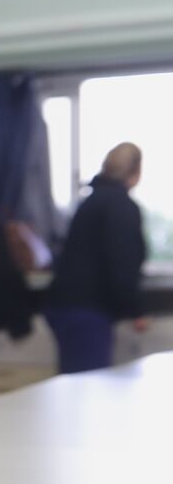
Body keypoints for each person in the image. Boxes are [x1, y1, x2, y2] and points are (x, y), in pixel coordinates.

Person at [44, 142, 149, 374]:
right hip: (86, 311)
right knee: (88, 387)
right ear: (135, 171)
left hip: (66, 306)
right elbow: (122, 263)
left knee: (76, 384)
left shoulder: (91, 201)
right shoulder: (120, 207)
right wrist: (135, 309)